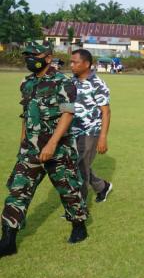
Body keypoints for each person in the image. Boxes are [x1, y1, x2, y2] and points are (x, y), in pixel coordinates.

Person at [0, 42, 89, 258]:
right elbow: (26, 115)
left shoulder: (63, 82)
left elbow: (67, 115)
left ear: (48, 58)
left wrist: (51, 144)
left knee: (69, 190)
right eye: (27, 55)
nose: (30, 59)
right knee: (17, 192)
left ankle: (79, 227)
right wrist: (23, 144)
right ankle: (8, 240)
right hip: (30, 150)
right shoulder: (27, 83)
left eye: (34, 55)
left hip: (58, 150)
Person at [69, 49, 113, 203]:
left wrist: (102, 137)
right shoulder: (71, 81)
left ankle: (77, 210)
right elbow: (67, 107)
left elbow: (106, 113)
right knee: (77, 165)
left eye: (75, 62)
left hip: (90, 132)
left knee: (79, 169)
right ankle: (102, 187)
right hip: (71, 132)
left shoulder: (97, 84)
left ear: (86, 64)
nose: (71, 65)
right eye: (71, 62)